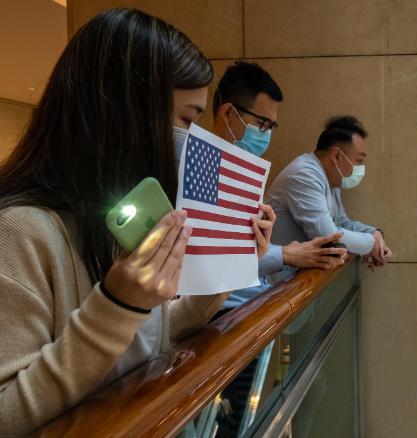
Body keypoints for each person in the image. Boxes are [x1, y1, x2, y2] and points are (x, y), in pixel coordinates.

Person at [0, 9, 272, 435]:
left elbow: (148, 338)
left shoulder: (118, 218)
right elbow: (8, 414)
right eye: (187, 120)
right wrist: (116, 305)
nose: (193, 139)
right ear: (127, 114)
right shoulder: (19, 231)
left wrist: (229, 269)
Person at [210, 61, 348, 315]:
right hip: (221, 314)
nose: (267, 134)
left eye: (272, 127)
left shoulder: (242, 170)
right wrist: (285, 254)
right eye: (262, 124)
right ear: (228, 114)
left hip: (255, 302)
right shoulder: (204, 171)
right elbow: (210, 259)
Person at [266, 116, 392, 269]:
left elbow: (342, 222)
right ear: (337, 156)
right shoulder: (304, 174)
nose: (361, 167)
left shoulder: (331, 179)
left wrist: (375, 233)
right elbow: (329, 237)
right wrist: (371, 243)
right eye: (359, 160)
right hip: (277, 283)